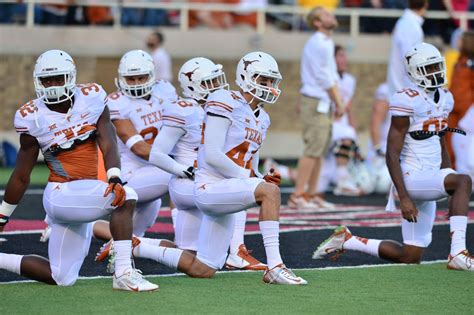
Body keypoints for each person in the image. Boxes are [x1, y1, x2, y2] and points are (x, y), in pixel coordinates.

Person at [103, 52, 307, 285]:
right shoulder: (209, 105)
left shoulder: (261, 117)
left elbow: (250, 162)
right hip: (204, 184)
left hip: (220, 185)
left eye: (271, 81)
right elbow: (211, 155)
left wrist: (260, 176)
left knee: (202, 267)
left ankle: (137, 245)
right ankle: (272, 265)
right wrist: (246, 178)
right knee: (266, 193)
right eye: (263, 80)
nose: (215, 87)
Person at [0, 50, 158, 291]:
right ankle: (123, 272)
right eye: (46, 80)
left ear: (71, 77)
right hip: (60, 193)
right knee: (127, 197)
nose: (52, 85)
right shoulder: (31, 116)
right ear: (38, 81)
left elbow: (108, 141)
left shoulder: (92, 97)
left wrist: (114, 175)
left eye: (58, 78)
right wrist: (3, 214)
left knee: (61, 277)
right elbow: (22, 174)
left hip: (85, 191)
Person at [313, 43, 474, 271]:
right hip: (411, 177)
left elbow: (441, 141)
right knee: (464, 180)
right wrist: (404, 196)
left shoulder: (445, 98)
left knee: (410, 256)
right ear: (415, 72)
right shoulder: (407, 98)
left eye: (437, 66)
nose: (435, 73)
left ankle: (348, 240)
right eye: (428, 68)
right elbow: (392, 152)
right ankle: (458, 252)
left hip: (430, 175)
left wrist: (448, 181)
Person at [148, 57, 266, 270]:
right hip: (188, 183)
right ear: (192, 86)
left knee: (191, 257)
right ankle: (237, 250)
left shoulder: (227, 107)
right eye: (209, 83)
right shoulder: (184, 109)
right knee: (238, 188)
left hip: (203, 182)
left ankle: (131, 244)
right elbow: (156, 154)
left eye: (218, 80)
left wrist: (255, 172)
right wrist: (183, 170)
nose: (217, 87)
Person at [290, 6, 344, 210]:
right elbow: (323, 78)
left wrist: (336, 101)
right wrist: (339, 102)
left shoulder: (326, 42)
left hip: (321, 101)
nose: (332, 16)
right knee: (312, 150)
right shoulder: (319, 43)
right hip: (315, 102)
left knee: (319, 150)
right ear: (317, 23)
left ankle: (312, 194)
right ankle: (297, 196)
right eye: (326, 15)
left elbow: (328, 75)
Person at [318, 45, 365, 196]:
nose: (344, 59)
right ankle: (343, 183)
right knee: (347, 134)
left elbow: (348, 107)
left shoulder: (350, 80)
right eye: (340, 55)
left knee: (323, 178)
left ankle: (279, 170)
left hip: (341, 126)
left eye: (345, 56)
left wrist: (355, 132)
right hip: (328, 125)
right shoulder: (326, 78)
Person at [386, 0, 428, 97]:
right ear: (425, 3)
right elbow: (409, 60)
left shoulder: (408, 23)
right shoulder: (409, 25)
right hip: (405, 92)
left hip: (404, 91)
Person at [449, 30, 474, 185]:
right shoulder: (459, 62)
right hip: (454, 112)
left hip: (466, 113)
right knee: (449, 144)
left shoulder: (470, 64)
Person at [367, 82, 392, 193]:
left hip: (406, 151)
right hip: (385, 150)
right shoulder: (387, 89)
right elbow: (375, 123)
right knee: (383, 183)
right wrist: (378, 149)